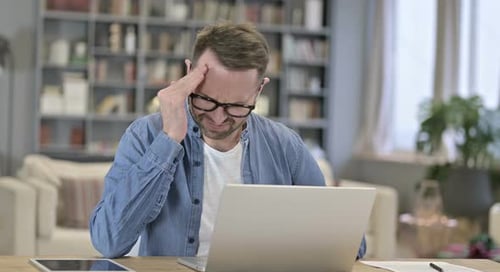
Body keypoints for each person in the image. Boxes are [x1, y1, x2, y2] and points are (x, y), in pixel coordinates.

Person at [89, 21, 366, 259]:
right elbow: (108, 241)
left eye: (236, 106)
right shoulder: (144, 136)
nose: (219, 117)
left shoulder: (284, 145)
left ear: (259, 91)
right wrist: (169, 140)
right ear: (189, 75)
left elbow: (352, 245)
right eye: (206, 100)